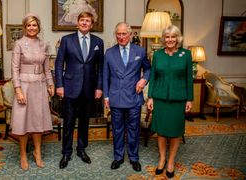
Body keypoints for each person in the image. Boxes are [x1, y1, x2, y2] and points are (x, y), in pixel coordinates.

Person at [55, 11, 104, 169]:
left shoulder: (98, 42)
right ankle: (66, 152)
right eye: (82, 20)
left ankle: (81, 149)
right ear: (77, 23)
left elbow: (101, 67)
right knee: (68, 121)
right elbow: (58, 64)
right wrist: (59, 85)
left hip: (89, 89)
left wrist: (99, 87)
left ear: (91, 24)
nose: (84, 23)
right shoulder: (66, 40)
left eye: (87, 21)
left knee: (84, 122)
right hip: (70, 88)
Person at [103, 22, 151, 172]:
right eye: (119, 34)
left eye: (124, 34)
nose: (121, 37)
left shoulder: (140, 51)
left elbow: (149, 69)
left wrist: (144, 80)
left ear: (130, 35)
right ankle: (118, 157)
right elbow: (105, 76)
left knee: (133, 129)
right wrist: (105, 96)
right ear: (116, 35)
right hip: (116, 97)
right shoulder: (109, 53)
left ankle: (134, 157)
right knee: (117, 129)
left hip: (134, 97)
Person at [147, 25, 193, 178]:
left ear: (178, 38)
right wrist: (151, 97)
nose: (170, 39)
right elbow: (153, 77)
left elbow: (189, 78)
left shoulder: (186, 54)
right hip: (160, 98)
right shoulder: (157, 55)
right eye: (167, 37)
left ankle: (171, 161)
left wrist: (189, 99)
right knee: (161, 131)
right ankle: (162, 159)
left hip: (178, 99)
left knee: (174, 132)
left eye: (173, 36)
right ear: (163, 39)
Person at [11, 13, 55, 170]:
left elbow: (47, 69)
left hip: (39, 86)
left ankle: (37, 152)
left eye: (34, 25)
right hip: (24, 86)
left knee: (37, 121)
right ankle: (23, 154)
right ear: (25, 27)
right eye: (29, 25)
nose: (32, 28)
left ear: (38, 27)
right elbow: (14, 69)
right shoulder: (19, 44)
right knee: (22, 122)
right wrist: (18, 90)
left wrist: (51, 84)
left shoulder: (44, 45)